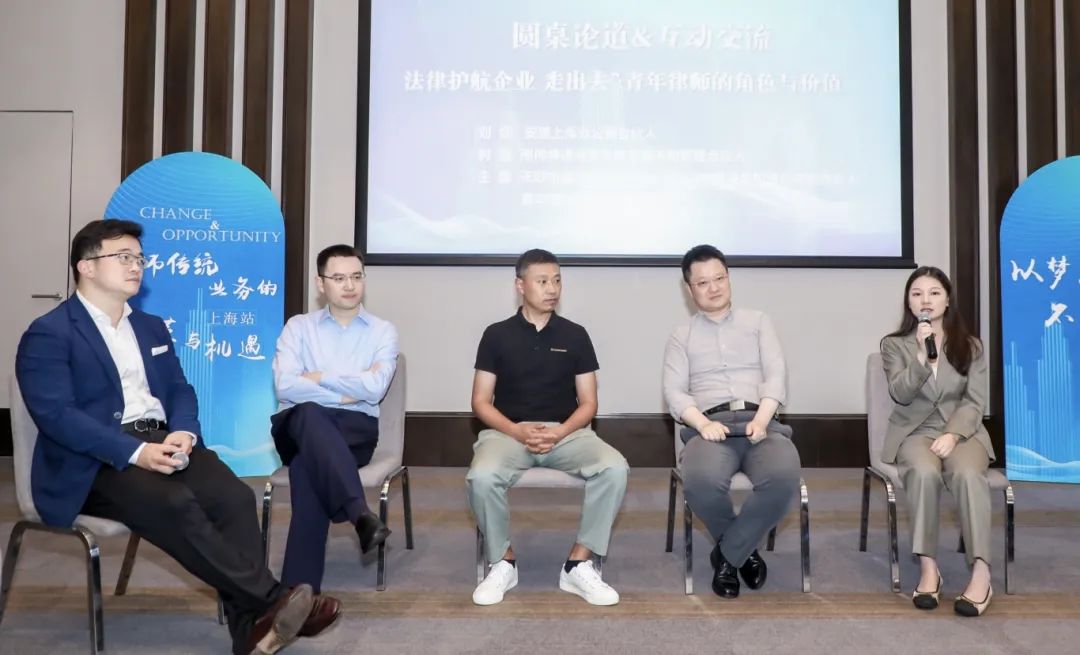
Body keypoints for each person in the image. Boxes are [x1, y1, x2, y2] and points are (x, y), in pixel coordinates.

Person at [15, 219, 339, 654]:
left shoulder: (149, 326)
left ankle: (250, 632)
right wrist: (135, 452)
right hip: (92, 462)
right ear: (86, 267)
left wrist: (185, 430)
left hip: (161, 440)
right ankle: (272, 600)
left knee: (234, 498)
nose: (137, 266)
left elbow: (177, 389)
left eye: (139, 258)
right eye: (123, 257)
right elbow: (58, 417)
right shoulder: (50, 332)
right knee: (174, 502)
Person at [466, 248, 629, 606]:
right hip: (508, 433)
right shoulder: (496, 335)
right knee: (482, 476)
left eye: (556, 280)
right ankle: (503, 561)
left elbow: (589, 403)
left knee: (614, 468)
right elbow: (480, 401)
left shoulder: (575, 335)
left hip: (567, 433)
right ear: (520, 285)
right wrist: (517, 432)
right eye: (542, 281)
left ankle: (578, 563)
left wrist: (560, 432)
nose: (552, 288)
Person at [662, 245, 801, 599]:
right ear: (689, 289)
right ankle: (744, 552)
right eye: (703, 282)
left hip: (761, 422)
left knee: (783, 477)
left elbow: (776, 374)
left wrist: (763, 418)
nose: (714, 288)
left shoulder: (758, 321)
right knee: (701, 482)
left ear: (729, 278)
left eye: (720, 278)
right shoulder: (682, 335)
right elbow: (674, 392)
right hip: (711, 427)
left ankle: (727, 556)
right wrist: (701, 424)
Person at [271, 244, 398, 592]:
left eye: (356, 277)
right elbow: (285, 385)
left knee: (307, 466)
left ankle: (298, 592)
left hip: (355, 430)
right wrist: (345, 392)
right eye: (339, 278)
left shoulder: (382, 331)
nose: (349, 285)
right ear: (320, 283)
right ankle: (358, 512)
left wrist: (319, 377)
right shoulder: (298, 327)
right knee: (309, 414)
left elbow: (375, 388)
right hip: (297, 425)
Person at [880, 266, 994, 617]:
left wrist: (953, 433)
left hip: (963, 431)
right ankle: (929, 567)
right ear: (908, 302)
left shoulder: (970, 346)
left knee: (967, 475)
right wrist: (920, 357)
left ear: (947, 300)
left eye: (934, 293)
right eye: (917, 294)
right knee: (924, 473)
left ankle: (981, 572)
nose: (925, 300)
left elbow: (975, 401)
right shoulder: (893, 345)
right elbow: (900, 393)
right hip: (915, 431)